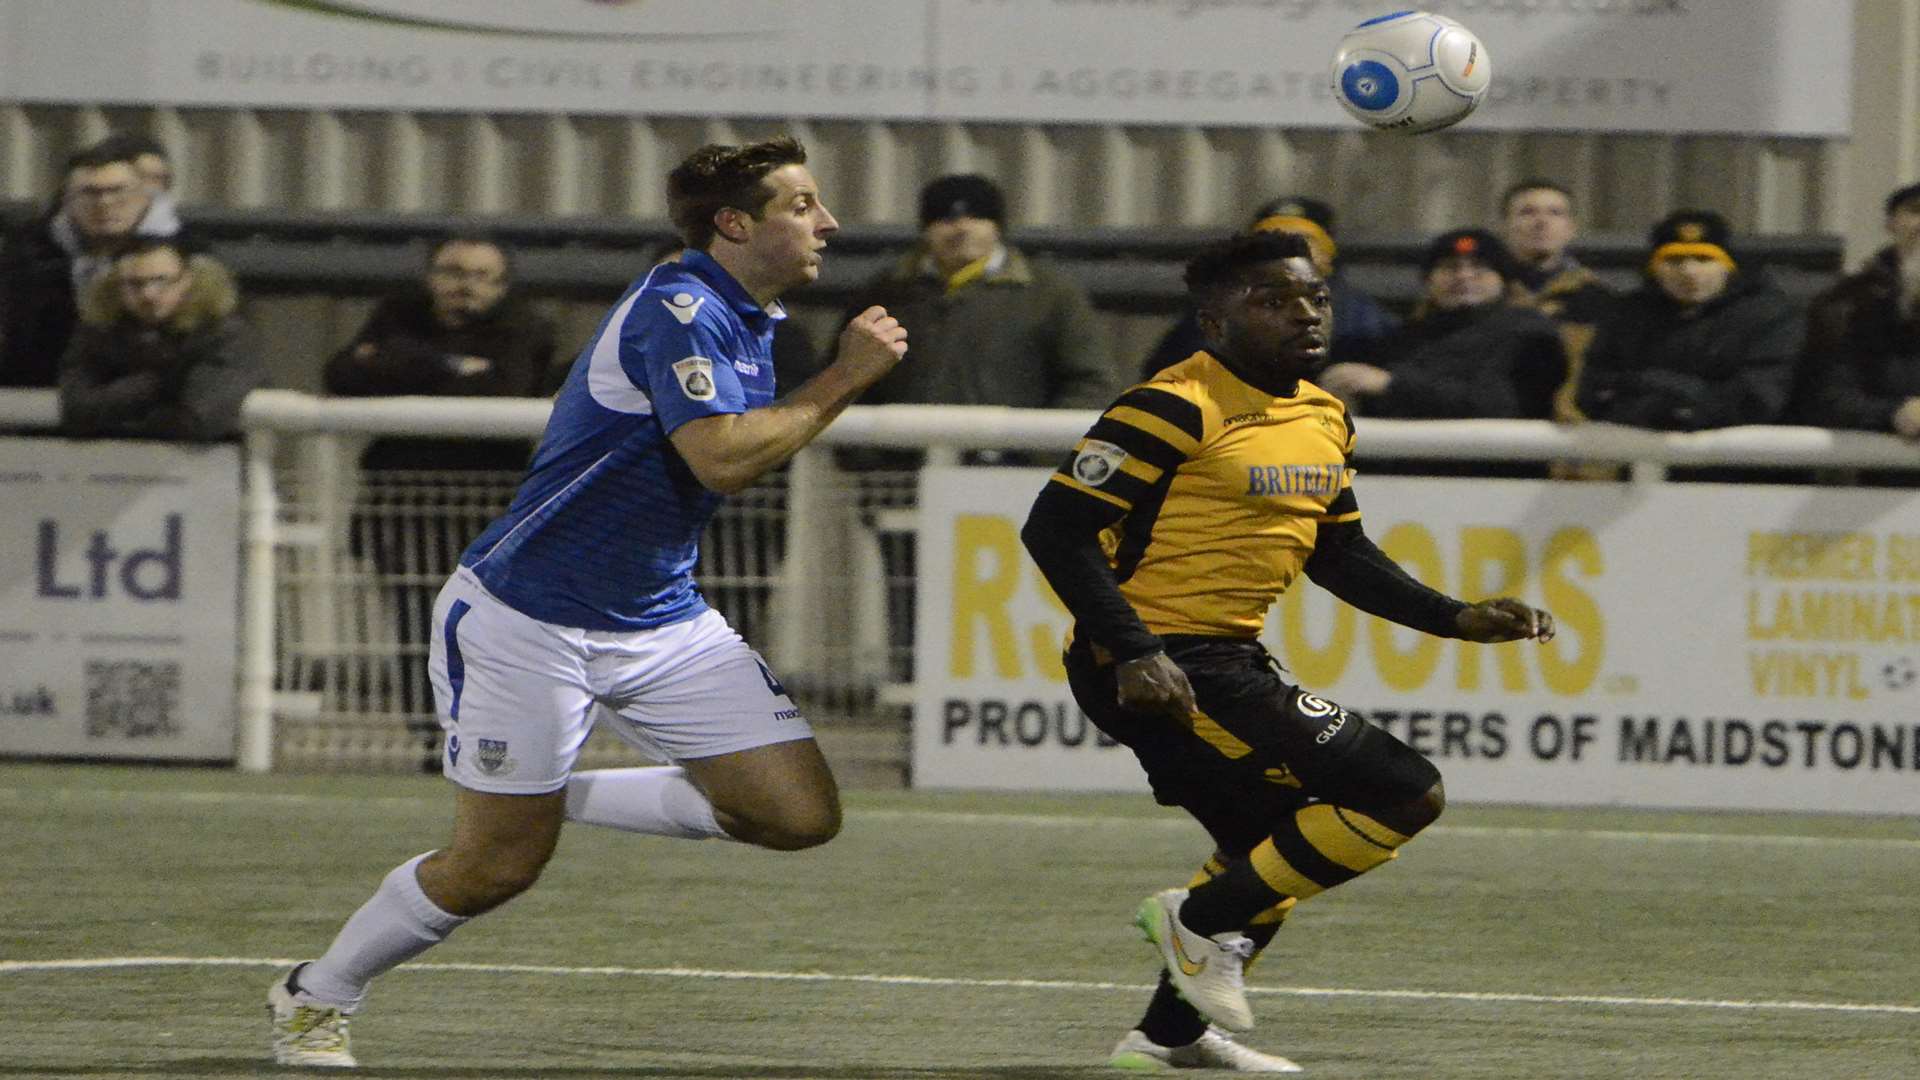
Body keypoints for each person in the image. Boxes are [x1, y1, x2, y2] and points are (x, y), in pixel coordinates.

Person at [265, 135, 910, 1068]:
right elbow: (722, 460)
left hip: (662, 618)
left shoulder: (746, 313)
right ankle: (314, 995)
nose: (829, 223)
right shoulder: (681, 308)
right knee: (495, 869)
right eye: (802, 205)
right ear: (735, 224)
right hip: (529, 617)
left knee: (797, 816)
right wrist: (848, 372)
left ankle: (540, 790)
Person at [1021, 230, 1554, 1072]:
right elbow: (1054, 528)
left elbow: (1339, 552)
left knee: (1269, 842)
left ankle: (1167, 1038)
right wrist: (1132, 647)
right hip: (1162, 666)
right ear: (1214, 320)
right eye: (1272, 300)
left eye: (1315, 298)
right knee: (1404, 793)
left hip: (1227, 659)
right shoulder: (1171, 403)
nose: (1304, 315)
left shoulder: (1325, 414)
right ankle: (1194, 922)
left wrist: (1456, 618)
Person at [322, 235, 560, 738]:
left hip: (490, 504)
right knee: (417, 624)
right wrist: (449, 366)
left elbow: (507, 388)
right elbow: (343, 373)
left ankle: (493, 733)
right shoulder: (397, 313)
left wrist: (400, 363)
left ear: (502, 286)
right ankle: (433, 735)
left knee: (494, 628)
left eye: (480, 275)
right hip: (401, 500)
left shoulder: (527, 325)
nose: (464, 285)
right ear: (430, 278)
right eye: (452, 272)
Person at [840, 173, 1114, 448]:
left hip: (1006, 472)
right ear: (926, 229)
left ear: (998, 227)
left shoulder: (1050, 294)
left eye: (977, 218)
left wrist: (1035, 451)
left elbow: (1089, 384)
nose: (962, 228)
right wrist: (865, 452)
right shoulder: (885, 293)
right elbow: (847, 373)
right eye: (946, 219)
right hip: (898, 476)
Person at [1574, 210, 1802, 432]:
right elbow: (1592, 393)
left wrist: (1651, 389)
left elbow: (1757, 399)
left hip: (1739, 465)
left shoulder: (1770, 316)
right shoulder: (1627, 314)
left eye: (1704, 259)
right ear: (1655, 269)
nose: (1689, 271)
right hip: (1642, 461)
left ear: (1728, 266)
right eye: (1674, 260)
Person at [1313, 228, 1566, 422]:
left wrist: (1392, 385)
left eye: (1479, 268)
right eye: (1450, 267)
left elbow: (1505, 404)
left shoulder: (1530, 335)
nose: (1464, 276)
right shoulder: (1405, 338)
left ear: (1503, 281)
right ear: (1429, 281)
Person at [1140, 195, 1399, 380]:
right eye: (1269, 240)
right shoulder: (1216, 310)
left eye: (1301, 241)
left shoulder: (1366, 321)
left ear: (1328, 254)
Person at [1, 138, 190, 388]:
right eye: (90, 193)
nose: (105, 203)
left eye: (117, 191)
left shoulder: (186, 253)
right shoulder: (28, 255)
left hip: (149, 403)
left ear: (144, 197)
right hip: (32, 394)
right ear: (67, 199)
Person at [56, 238, 258, 440]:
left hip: (210, 463)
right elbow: (77, 410)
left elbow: (196, 420)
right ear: (115, 286)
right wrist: (159, 384)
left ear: (187, 280)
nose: (148, 294)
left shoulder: (222, 332)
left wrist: (115, 409)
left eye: (162, 281)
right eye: (134, 284)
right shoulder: (98, 329)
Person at [1796, 181, 1920, 439]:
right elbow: (1824, 396)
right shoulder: (1844, 303)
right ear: (1890, 224)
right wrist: (1893, 412)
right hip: (1876, 466)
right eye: (1916, 210)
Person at [1497, 180, 1616, 418]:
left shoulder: (1600, 300)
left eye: (1555, 213)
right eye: (1527, 212)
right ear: (1504, 226)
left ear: (1570, 228)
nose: (1541, 222)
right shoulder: (1479, 294)